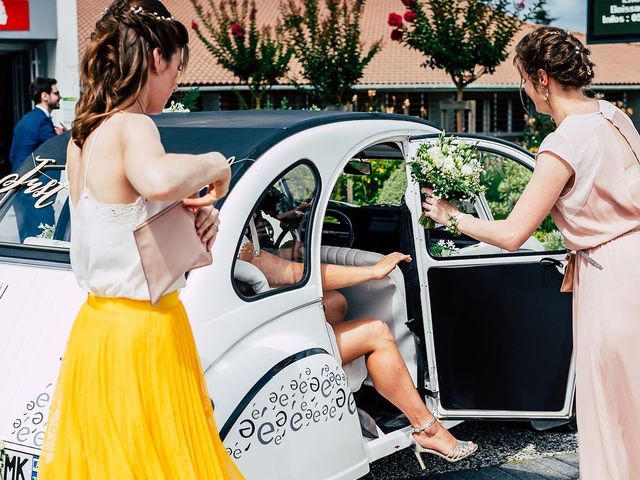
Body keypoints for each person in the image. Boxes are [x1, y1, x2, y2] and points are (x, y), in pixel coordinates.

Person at [421, 26, 640, 480]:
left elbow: (512, 234)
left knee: (613, 403)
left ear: (541, 78)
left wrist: (448, 216)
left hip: (610, 277)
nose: (523, 89)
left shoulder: (561, 145)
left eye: (522, 78)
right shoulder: (614, 117)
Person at [37, 1, 244, 478]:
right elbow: (153, 179)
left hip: (98, 332)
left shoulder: (82, 138)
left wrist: (186, 223)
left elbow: (113, 225)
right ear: (156, 58)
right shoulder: (133, 125)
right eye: (176, 69)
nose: (175, 84)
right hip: (145, 337)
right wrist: (217, 162)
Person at [238, 242, 478, 468]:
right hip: (263, 347)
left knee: (335, 301)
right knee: (377, 333)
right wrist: (373, 271)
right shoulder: (220, 230)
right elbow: (289, 273)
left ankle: (338, 398)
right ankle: (427, 429)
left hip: (249, 328)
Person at [8, 77, 66, 241]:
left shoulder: (26, 120)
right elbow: (57, 153)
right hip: (36, 193)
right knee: (43, 243)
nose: (59, 97)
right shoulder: (42, 122)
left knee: (28, 242)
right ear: (45, 96)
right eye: (56, 93)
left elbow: (14, 155)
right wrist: (61, 138)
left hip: (22, 193)